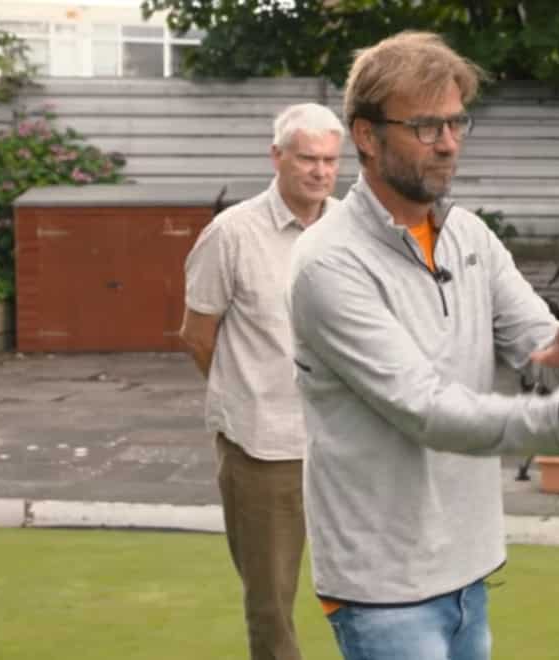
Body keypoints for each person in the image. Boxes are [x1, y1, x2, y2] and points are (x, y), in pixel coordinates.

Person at [287, 32, 559, 660]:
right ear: (365, 134)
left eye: (457, 121)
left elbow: (535, 338)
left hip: (468, 563)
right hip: (385, 584)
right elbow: (426, 410)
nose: (449, 142)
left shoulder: (467, 235)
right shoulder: (327, 265)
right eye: (426, 125)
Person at [180, 102, 344, 660]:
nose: (320, 172)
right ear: (276, 157)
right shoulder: (230, 235)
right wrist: (245, 394)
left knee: (373, 585)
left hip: (346, 446)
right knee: (271, 602)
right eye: (307, 159)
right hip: (263, 447)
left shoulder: (355, 230)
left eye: (329, 160)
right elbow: (198, 335)